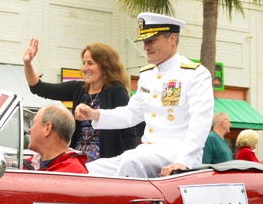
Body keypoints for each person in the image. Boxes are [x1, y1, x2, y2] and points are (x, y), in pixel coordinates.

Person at [75, 13, 214, 178]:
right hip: (147, 152)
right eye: (145, 42)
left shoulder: (194, 74)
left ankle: (124, 203)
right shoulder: (147, 75)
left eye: (151, 41)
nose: (146, 46)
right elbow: (131, 113)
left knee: (130, 160)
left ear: (172, 39)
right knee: (87, 169)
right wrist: (96, 114)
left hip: (177, 153)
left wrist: (184, 161)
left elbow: (200, 122)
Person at [23, 38, 137, 162]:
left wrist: (129, 164)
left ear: (105, 66)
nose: (84, 68)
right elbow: (39, 88)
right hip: (78, 162)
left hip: (105, 164)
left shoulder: (116, 91)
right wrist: (27, 63)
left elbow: (128, 130)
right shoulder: (77, 88)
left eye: (90, 63)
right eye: (84, 62)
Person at [26, 104, 88, 173]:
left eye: (33, 123)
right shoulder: (29, 164)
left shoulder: (73, 173)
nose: (29, 129)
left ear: (47, 128)